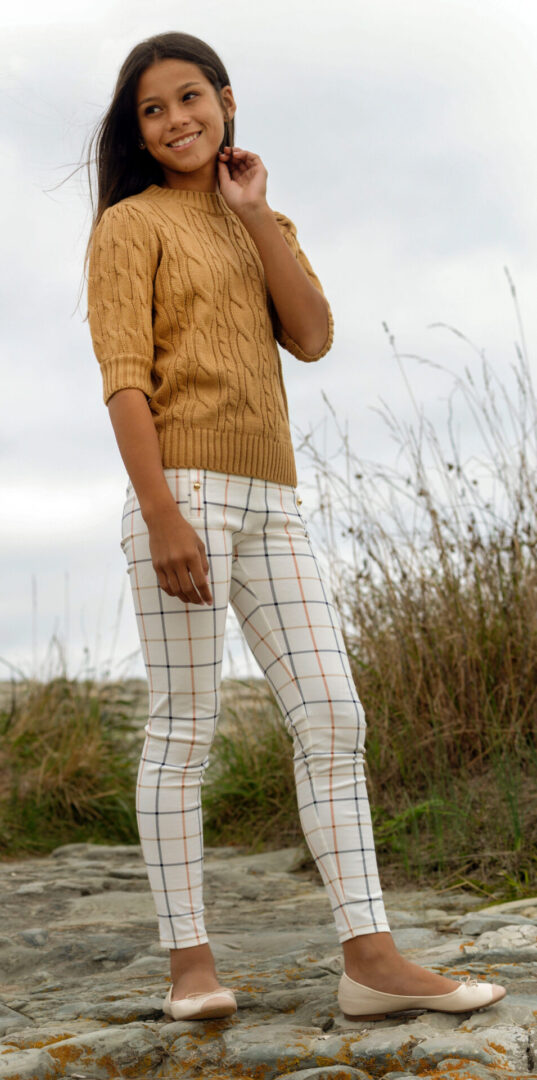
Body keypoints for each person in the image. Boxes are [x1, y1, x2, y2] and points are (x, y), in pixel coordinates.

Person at [84, 30, 506, 1024]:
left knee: (332, 715)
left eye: (191, 98)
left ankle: (369, 960)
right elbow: (123, 379)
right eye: (153, 110)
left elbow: (312, 335)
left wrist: (254, 213)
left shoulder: (257, 217)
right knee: (183, 731)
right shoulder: (127, 227)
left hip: (274, 501)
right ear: (137, 135)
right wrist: (161, 515)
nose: (176, 119)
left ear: (227, 102)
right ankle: (191, 967)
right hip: (178, 491)